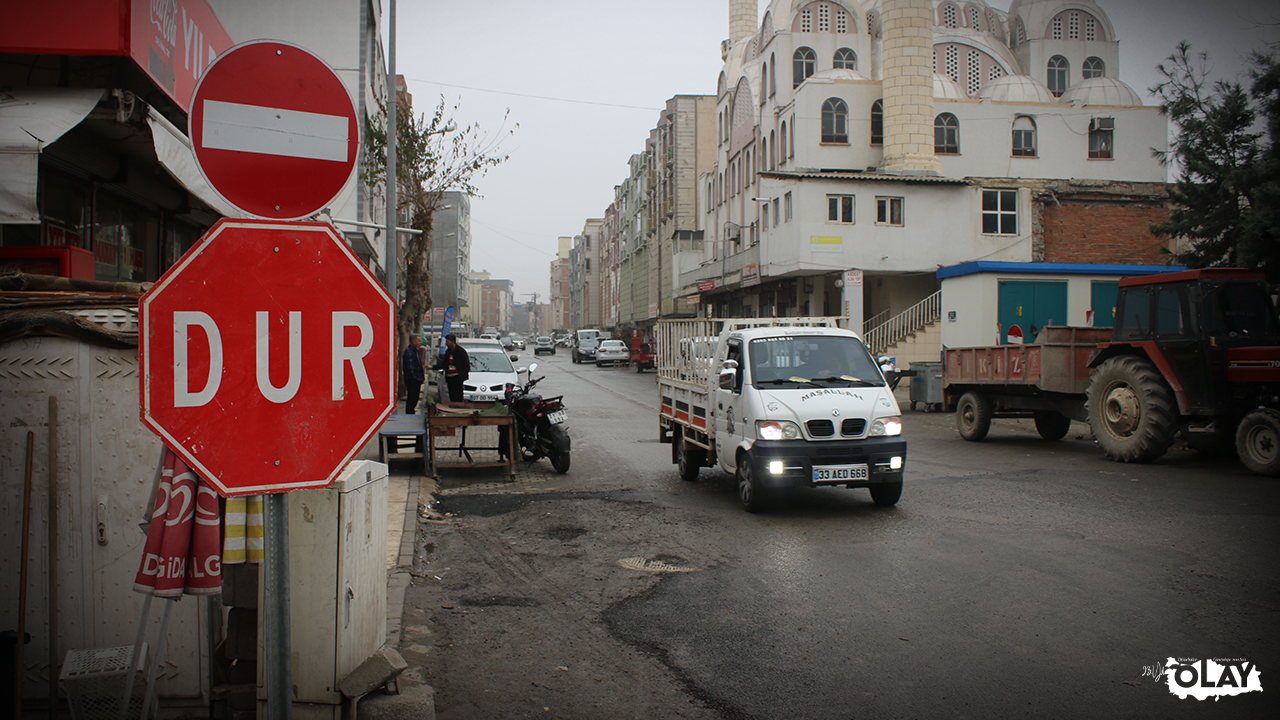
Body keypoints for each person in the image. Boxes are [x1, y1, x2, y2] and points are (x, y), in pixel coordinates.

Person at [434, 333, 470, 403]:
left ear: (453, 341)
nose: (446, 343)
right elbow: (444, 364)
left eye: (448, 341)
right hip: (450, 378)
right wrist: (433, 367)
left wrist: (461, 377)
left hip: (457, 378)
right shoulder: (448, 352)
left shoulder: (460, 352)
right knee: (451, 396)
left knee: (458, 397)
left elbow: (466, 366)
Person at [402, 335, 426, 414]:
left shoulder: (416, 351)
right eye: (418, 341)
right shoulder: (409, 352)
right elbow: (410, 368)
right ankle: (409, 413)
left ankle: (412, 411)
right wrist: (415, 379)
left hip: (417, 380)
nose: (420, 343)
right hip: (413, 381)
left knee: (415, 398)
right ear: (413, 342)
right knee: (412, 398)